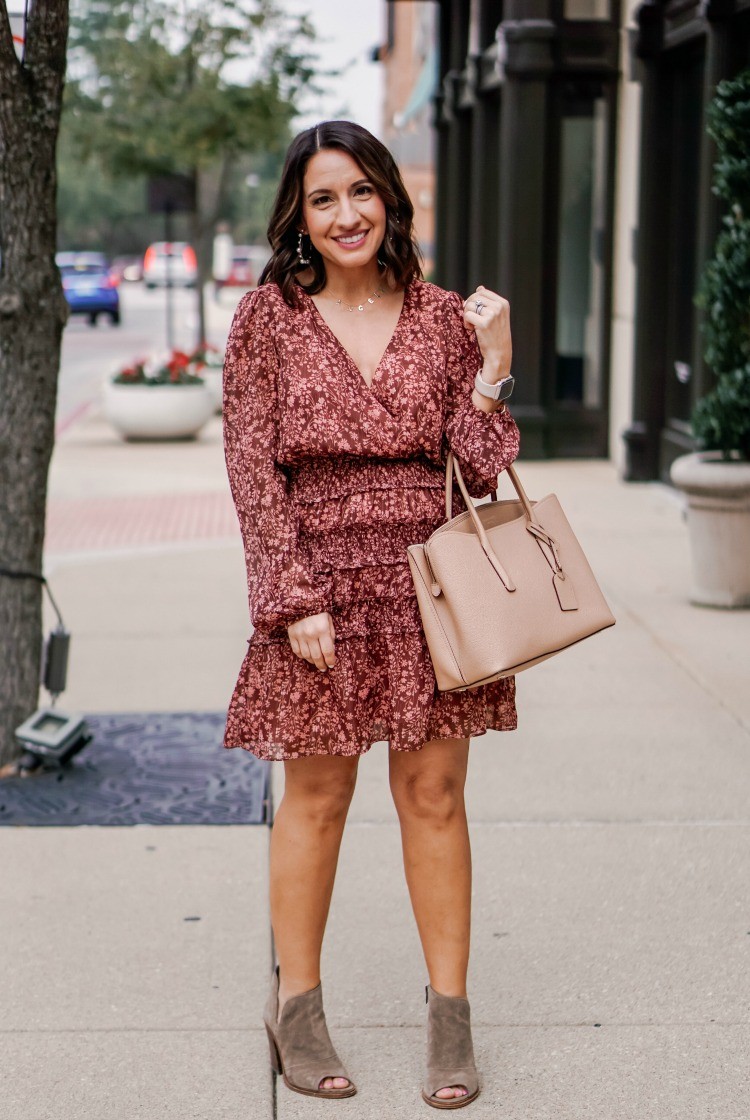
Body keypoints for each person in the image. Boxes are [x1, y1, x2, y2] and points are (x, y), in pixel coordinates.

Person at [222, 120, 519, 1109]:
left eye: (360, 192)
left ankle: (450, 1022)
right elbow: (252, 472)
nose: (345, 213)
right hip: (320, 586)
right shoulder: (268, 320)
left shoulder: (440, 318)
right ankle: (297, 1010)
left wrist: (493, 366)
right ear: (299, 217)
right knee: (317, 798)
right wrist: (290, 596)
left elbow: (479, 465)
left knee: (434, 796)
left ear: (391, 198)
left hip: (428, 586)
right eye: (323, 198)